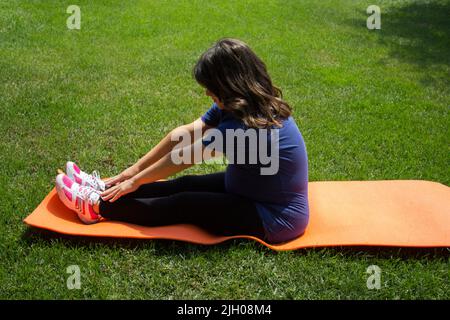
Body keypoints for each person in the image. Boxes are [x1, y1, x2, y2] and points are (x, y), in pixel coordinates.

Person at [55, 38, 309, 244]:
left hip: (273, 216)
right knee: (183, 184)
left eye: (210, 87)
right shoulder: (237, 104)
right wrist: (130, 173)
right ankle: (104, 188)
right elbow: (184, 134)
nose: (206, 92)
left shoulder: (246, 129)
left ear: (229, 85)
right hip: (246, 187)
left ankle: (96, 207)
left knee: (184, 203)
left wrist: (134, 181)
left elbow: (183, 157)